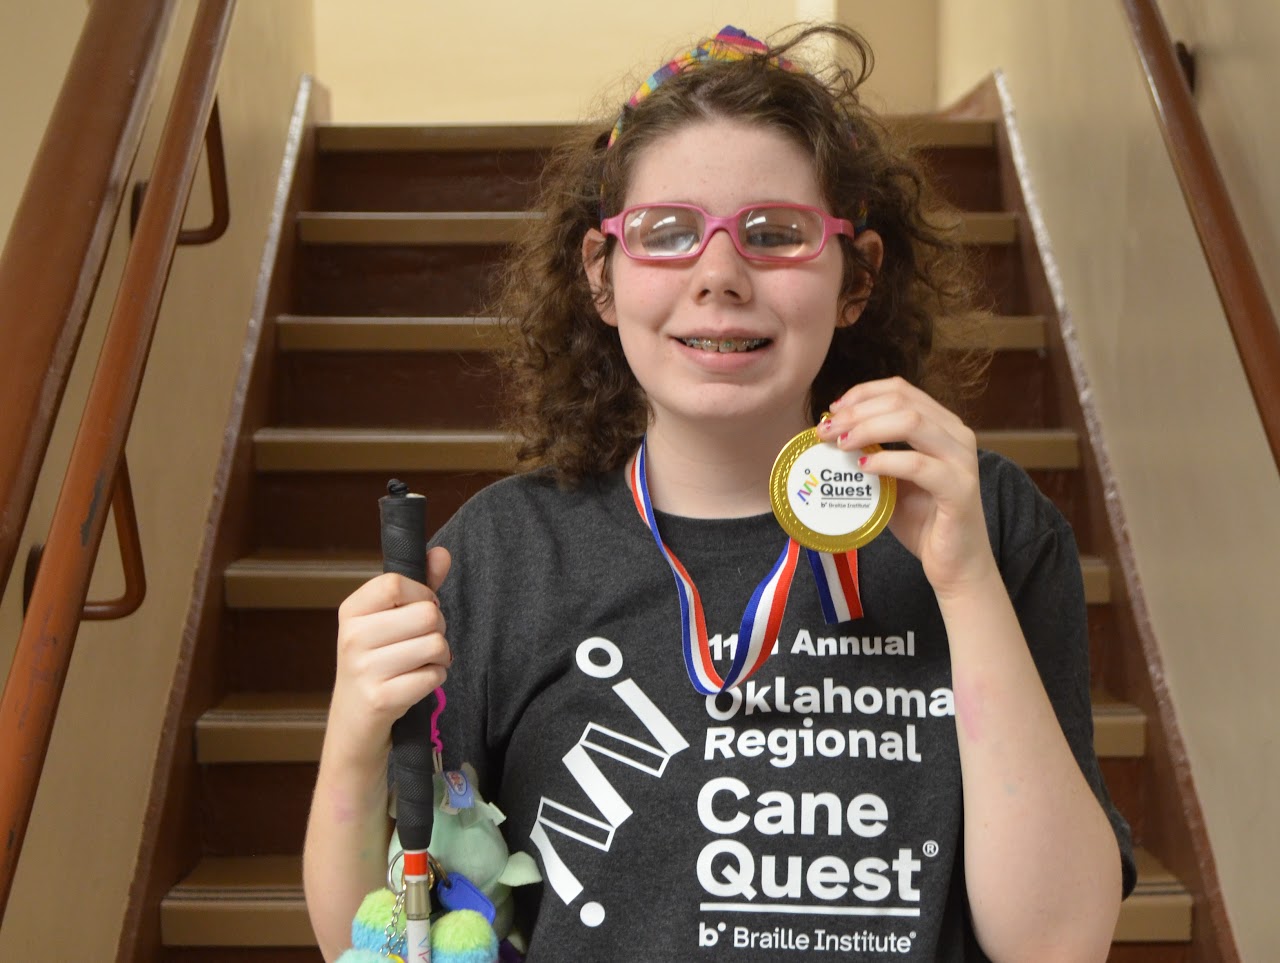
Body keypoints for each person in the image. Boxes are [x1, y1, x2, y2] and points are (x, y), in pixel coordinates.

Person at [303, 23, 1136, 961]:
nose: (720, 277)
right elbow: (371, 939)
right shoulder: (504, 554)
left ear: (854, 277)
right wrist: (354, 727)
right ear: (602, 277)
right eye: (668, 235)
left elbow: (1058, 942)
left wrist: (966, 581)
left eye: (775, 234)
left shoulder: (984, 519)